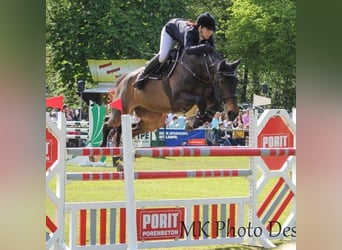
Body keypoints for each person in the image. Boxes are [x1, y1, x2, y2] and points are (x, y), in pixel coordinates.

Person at [134, 12, 217, 90]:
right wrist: (203, 47)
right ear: (200, 27)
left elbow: (211, 51)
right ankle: (143, 74)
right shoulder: (190, 32)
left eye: (212, 30)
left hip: (180, 33)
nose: (210, 33)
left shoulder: (208, 36)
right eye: (208, 30)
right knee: (163, 56)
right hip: (170, 30)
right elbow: (188, 50)